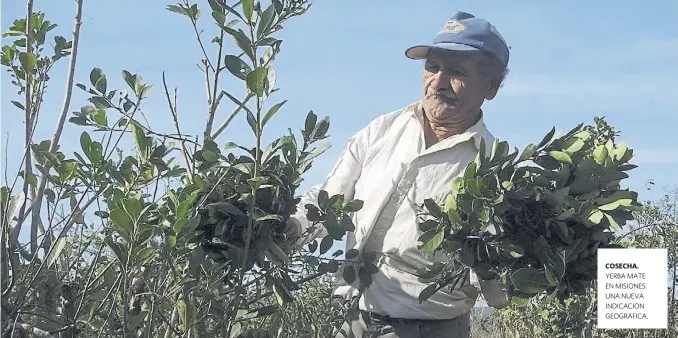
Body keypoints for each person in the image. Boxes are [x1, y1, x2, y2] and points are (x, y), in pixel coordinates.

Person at [284, 11, 511, 338]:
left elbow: (499, 288)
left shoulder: (494, 167)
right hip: (354, 318)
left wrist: (489, 266)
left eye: (456, 71)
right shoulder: (382, 130)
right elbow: (328, 202)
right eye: (432, 67)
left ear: (491, 85)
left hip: (430, 328)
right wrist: (291, 227)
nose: (438, 81)